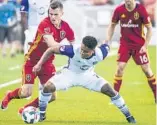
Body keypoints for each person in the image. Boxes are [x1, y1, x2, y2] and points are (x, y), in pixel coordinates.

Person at [33, 36, 136, 123]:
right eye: (82, 49)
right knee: (47, 87)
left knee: (110, 90)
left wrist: (108, 38)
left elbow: (106, 44)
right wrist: (39, 64)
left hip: (88, 76)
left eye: (86, 51)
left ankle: (129, 116)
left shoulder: (101, 54)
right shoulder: (72, 50)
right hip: (69, 74)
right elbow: (51, 50)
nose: (82, 52)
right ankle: (42, 114)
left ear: (93, 50)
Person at [0, 0, 75, 111]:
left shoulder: (66, 27)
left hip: (47, 63)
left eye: (56, 14)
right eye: (50, 14)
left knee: (52, 96)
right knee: (26, 92)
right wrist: (68, 50)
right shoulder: (44, 24)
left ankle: (26, 109)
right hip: (32, 61)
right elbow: (52, 45)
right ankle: (9, 95)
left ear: (62, 14)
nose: (52, 17)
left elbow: (73, 44)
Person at [105, 0, 156, 102]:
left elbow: (149, 29)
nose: (127, 1)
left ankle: (156, 94)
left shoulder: (141, 10)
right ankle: (115, 98)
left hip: (139, 45)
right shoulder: (119, 10)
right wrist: (107, 40)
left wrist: (145, 46)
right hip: (125, 45)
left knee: (146, 70)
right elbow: (112, 25)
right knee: (120, 68)